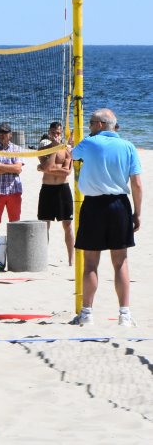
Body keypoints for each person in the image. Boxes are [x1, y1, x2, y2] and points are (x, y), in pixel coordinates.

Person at [70, 109, 142, 328]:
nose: (89, 127)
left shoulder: (89, 143)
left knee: (91, 262)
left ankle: (87, 313)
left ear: (100, 124)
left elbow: (72, 155)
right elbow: (137, 184)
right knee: (120, 261)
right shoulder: (128, 146)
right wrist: (137, 213)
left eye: (91, 123)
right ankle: (124, 315)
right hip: (119, 205)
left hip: (93, 205)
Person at [36, 122, 75, 265]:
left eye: (58, 133)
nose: (56, 136)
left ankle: (71, 260)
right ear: (49, 133)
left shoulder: (67, 150)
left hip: (62, 189)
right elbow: (47, 166)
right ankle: (42, 259)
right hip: (47, 189)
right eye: (53, 133)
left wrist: (46, 169)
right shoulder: (43, 149)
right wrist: (53, 149)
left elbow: (67, 172)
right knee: (44, 225)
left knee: (68, 225)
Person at [0, 122, 24, 238]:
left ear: (10, 135)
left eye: (5, 133)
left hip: (14, 191)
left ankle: (15, 249)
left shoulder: (16, 149)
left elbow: (18, 168)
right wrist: (10, 168)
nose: (2, 135)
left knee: (15, 223)